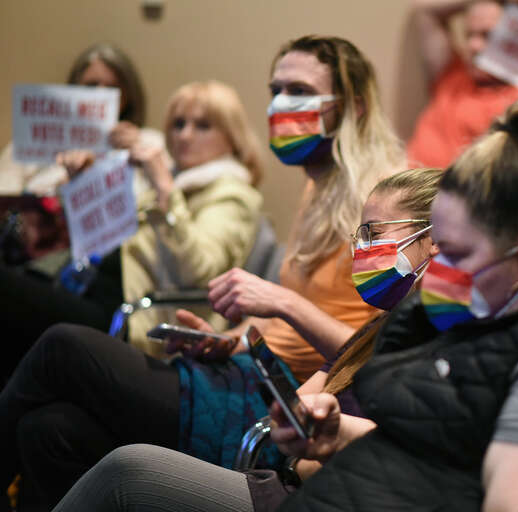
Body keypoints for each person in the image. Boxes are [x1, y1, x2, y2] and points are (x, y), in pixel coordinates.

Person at [261, 97, 518, 512]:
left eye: (455, 254)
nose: (435, 267)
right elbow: (435, 454)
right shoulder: (468, 322)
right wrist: (342, 438)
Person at [3, 167, 441, 512]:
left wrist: (284, 305)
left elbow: (304, 448)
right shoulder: (385, 322)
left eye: (374, 234)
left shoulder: (440, 338)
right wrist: (233, 341)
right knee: (50, 429)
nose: (361, 249)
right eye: (359, 235)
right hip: (266, 404)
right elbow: (298, 408)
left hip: (284, 467)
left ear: (434, 239)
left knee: (64, 348)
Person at [0, 81, 264, 386]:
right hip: (88, 290)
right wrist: (83, 184)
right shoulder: (175, 181)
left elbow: (199, 271)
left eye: (203, 126)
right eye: (178, 124)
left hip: (130, 320)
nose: (185, 135)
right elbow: (101, 241)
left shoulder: (233, 193)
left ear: (232, 138)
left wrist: (165, 191)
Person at [205, 35, 405, 382]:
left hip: (314, 397)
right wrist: (226, 340)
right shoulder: (318, 187)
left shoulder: (388, 200)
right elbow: (286, 319)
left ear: (354, 107)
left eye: (298, 91)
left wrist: (282, 301)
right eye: (276, 90)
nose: (279, 104)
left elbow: (382, 358)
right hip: (262, 372)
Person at [0, 42, 161, 196]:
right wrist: (63, 184)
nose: (100, 94)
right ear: (73, 88)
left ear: (128, 97)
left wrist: (140, 151)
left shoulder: (150, 142)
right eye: (91, 86)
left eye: (112, 88)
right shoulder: (27, 147)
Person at [406, 0, 518, 168]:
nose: (473, 46)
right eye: (469, 35)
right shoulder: (452, 73)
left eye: (487, 35)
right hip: (408, 184)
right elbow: (423, 10)